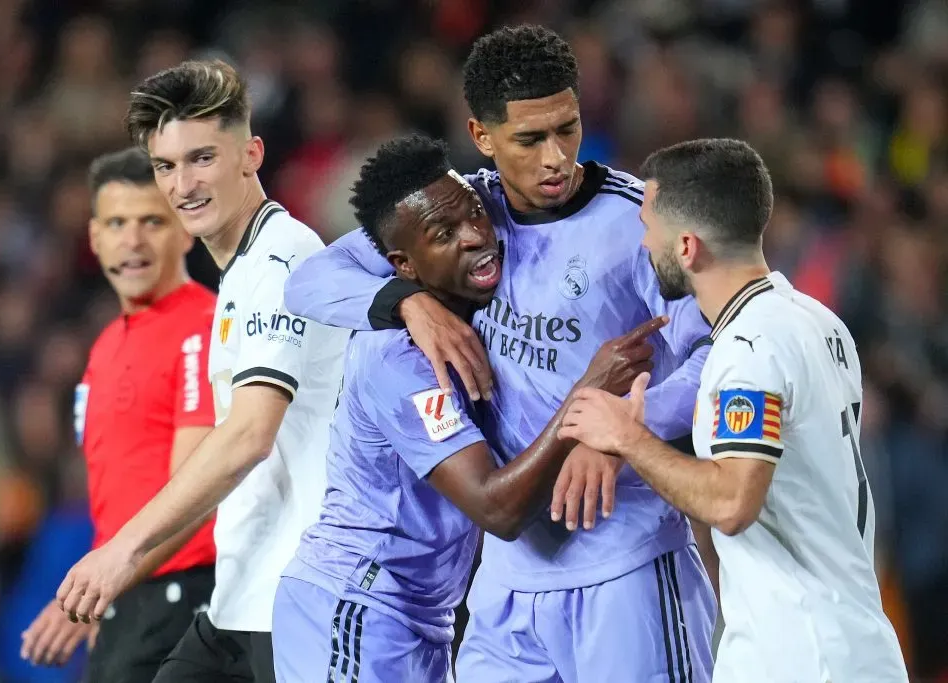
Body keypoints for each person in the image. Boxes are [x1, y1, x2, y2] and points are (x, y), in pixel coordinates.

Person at [284, 24, 717, 682]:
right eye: (530, 139)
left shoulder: (639, 225)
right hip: (508, 585)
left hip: (624, 561)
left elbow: (717, 351)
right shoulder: (461, 212)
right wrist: (405, 300)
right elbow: (310, 281)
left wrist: (621, 428)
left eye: (567, 128)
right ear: (482, 136)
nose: (556, 158)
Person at [557, 138, 909, 683]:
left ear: (689, 247)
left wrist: (626, 436)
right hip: (850, 642)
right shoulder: (817, 320)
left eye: (650, 228)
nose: (644, 243)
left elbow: (732, 500)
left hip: (801, 654)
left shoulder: (749, 347)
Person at [54, 60, 347, 683]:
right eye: (166, 165)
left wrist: (121, 554)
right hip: (240, 597)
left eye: (202, 158)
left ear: (251, 154)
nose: (182, 183)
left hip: (297, 596)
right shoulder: (239, 272)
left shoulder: (281, 260)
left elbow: (248, 434)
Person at [20, 147, 217, 682]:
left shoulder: (203, 330)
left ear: (185, 232)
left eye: (152, 221)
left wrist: (103, 581)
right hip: (128, 599)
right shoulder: (105, 346)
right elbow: (120, 494)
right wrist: (91, 595)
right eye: (117, 223)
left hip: (187, 601)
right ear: (94, 237)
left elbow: (195, 490)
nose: (132, 241)